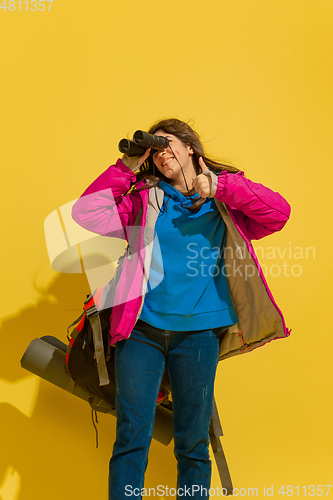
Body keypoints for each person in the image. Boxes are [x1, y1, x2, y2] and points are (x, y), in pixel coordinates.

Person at [71, 118, 291, 499]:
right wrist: (125, 168)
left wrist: (222, 186)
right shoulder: (144, 197)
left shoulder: (226, 201)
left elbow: (278, 213)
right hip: (142, 330)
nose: (161, 154)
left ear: (191, 148)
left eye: (168, 144)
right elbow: (86, 215)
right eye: (155, 150)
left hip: (199, 336)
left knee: (192, 441)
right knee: (131, 437)